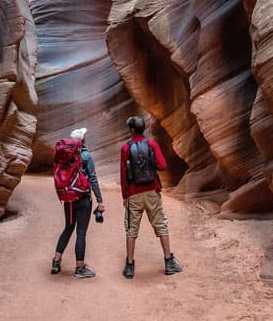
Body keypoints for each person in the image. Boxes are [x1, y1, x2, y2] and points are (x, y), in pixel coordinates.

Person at [120, 115, 182, 279]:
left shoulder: (125, 148)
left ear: (132, 130)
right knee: (161, 224)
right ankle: (169, 262)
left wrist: (125, 196)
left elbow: (123, 174)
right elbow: (162, 165)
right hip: (152, 192)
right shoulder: (152, 144)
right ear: (143, 129)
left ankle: (130, 267)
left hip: (133, 193)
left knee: (131, 229)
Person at [51, 128, 105, 279]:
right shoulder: (86, 155)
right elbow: (93, 179)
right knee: (81, 232)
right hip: (83, 198)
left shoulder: (63, 157)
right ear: (82, 141)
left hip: (68, 199)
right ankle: (80, 268)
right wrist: (100, 201)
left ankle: (56, 261)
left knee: (68, 228)